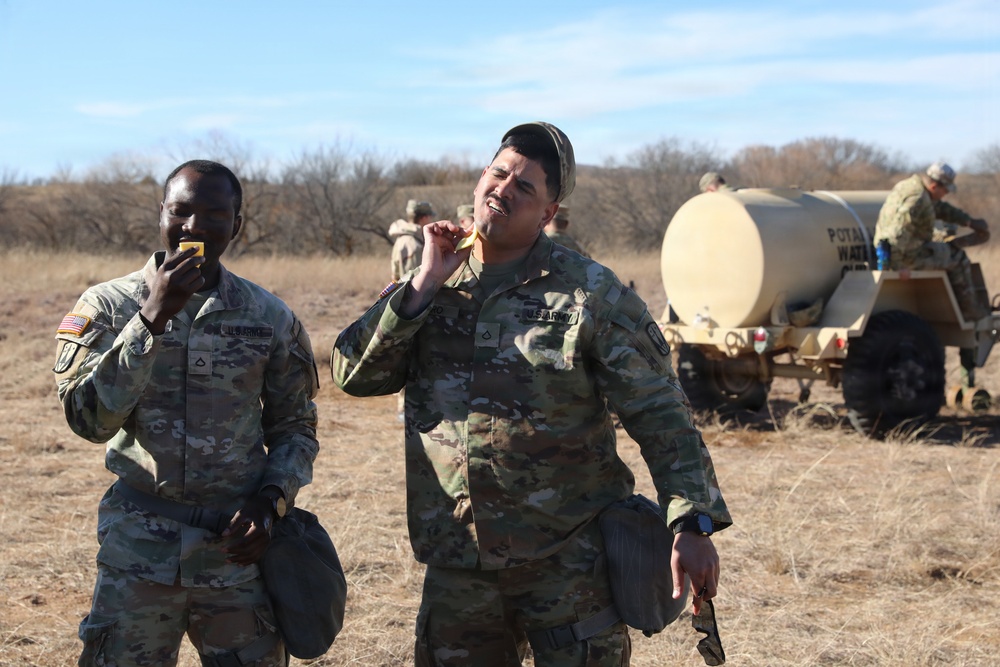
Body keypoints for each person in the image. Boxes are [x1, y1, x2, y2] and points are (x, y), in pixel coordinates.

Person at [333, 122, 731, 666]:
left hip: (569, 564)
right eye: (498, 174)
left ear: (548, 212)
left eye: (525, 187)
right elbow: (354, 375)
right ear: (480, 179)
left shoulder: (589, 293)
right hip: (459, 564)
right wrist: (422, 286)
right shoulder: (432, 282)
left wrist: (691, 521)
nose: (503, 190)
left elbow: (660, 411)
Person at [53, 159, 320, 667]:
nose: (194, 227)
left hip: (237, 558)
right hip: (137, 556)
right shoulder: (107, 307)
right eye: (181, 211)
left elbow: (294, 428)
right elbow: (88, 422)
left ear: (236, 225)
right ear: (161, 214)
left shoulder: (268, 315)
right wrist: (150, 319)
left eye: (215, 214)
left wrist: (270, 502)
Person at [873, 161, 991, 387]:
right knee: (957, 257)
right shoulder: (917, 199)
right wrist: (898, 266)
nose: (945, 194)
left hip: (906, 249)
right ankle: (969, 311)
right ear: (937, 185)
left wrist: (967, 221)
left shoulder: (911, 186)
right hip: (905, 255)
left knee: (945, 247)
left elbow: (940, 209)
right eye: (946, 190)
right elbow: (896, 232)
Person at [390, 199, 436, 281]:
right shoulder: (414, 245)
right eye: (430, 217)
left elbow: (395, 276)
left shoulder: (400, 240)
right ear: (424, 218)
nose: (431, 220)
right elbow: (416, 280)